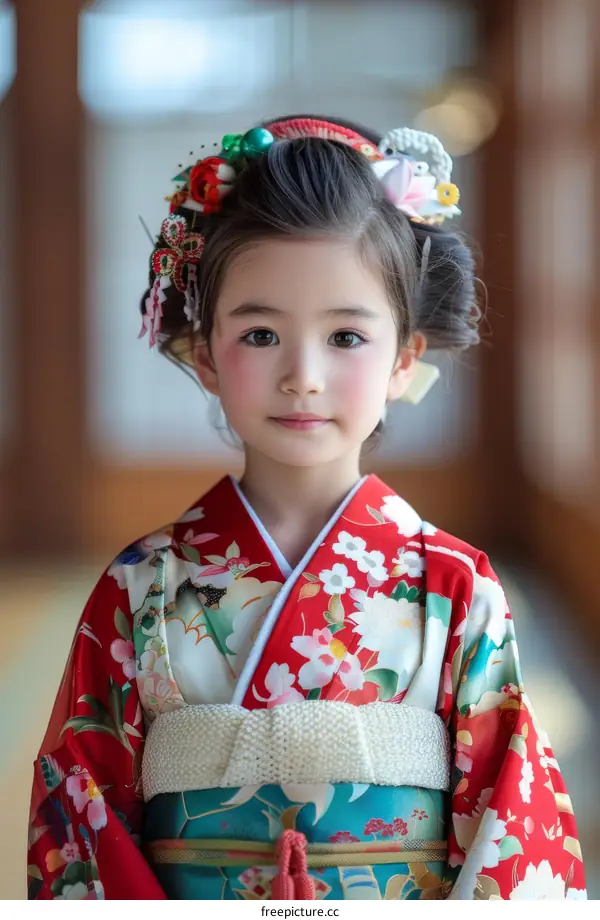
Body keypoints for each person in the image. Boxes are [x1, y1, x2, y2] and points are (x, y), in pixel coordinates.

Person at [27, 115, 586, 901]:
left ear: (404, 358)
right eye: (260, 334)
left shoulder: (458, 587)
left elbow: (513, 831)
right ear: (205, 353)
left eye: (346, 337)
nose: (303, 376)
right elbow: (80, 820)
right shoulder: (139, 587)